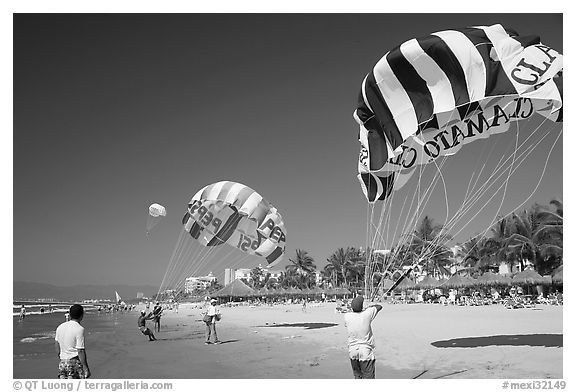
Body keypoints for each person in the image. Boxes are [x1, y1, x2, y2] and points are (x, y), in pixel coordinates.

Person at [343, 295, 382, 379]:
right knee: (368, 377)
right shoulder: (367, 314)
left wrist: (365, 309)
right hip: (365, 351)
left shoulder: (347, 316)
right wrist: (370, 307)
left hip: (352, 351)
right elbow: (379, 306)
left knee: (358, 376)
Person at [54, 304, 91, 379]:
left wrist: (62, 357)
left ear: (70, 314)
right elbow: (80, 350)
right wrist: (86, 368)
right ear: (81, 315)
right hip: (74, 362)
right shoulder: (79, 329)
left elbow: (57, 345)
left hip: (62, 362)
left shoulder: (60, 327)